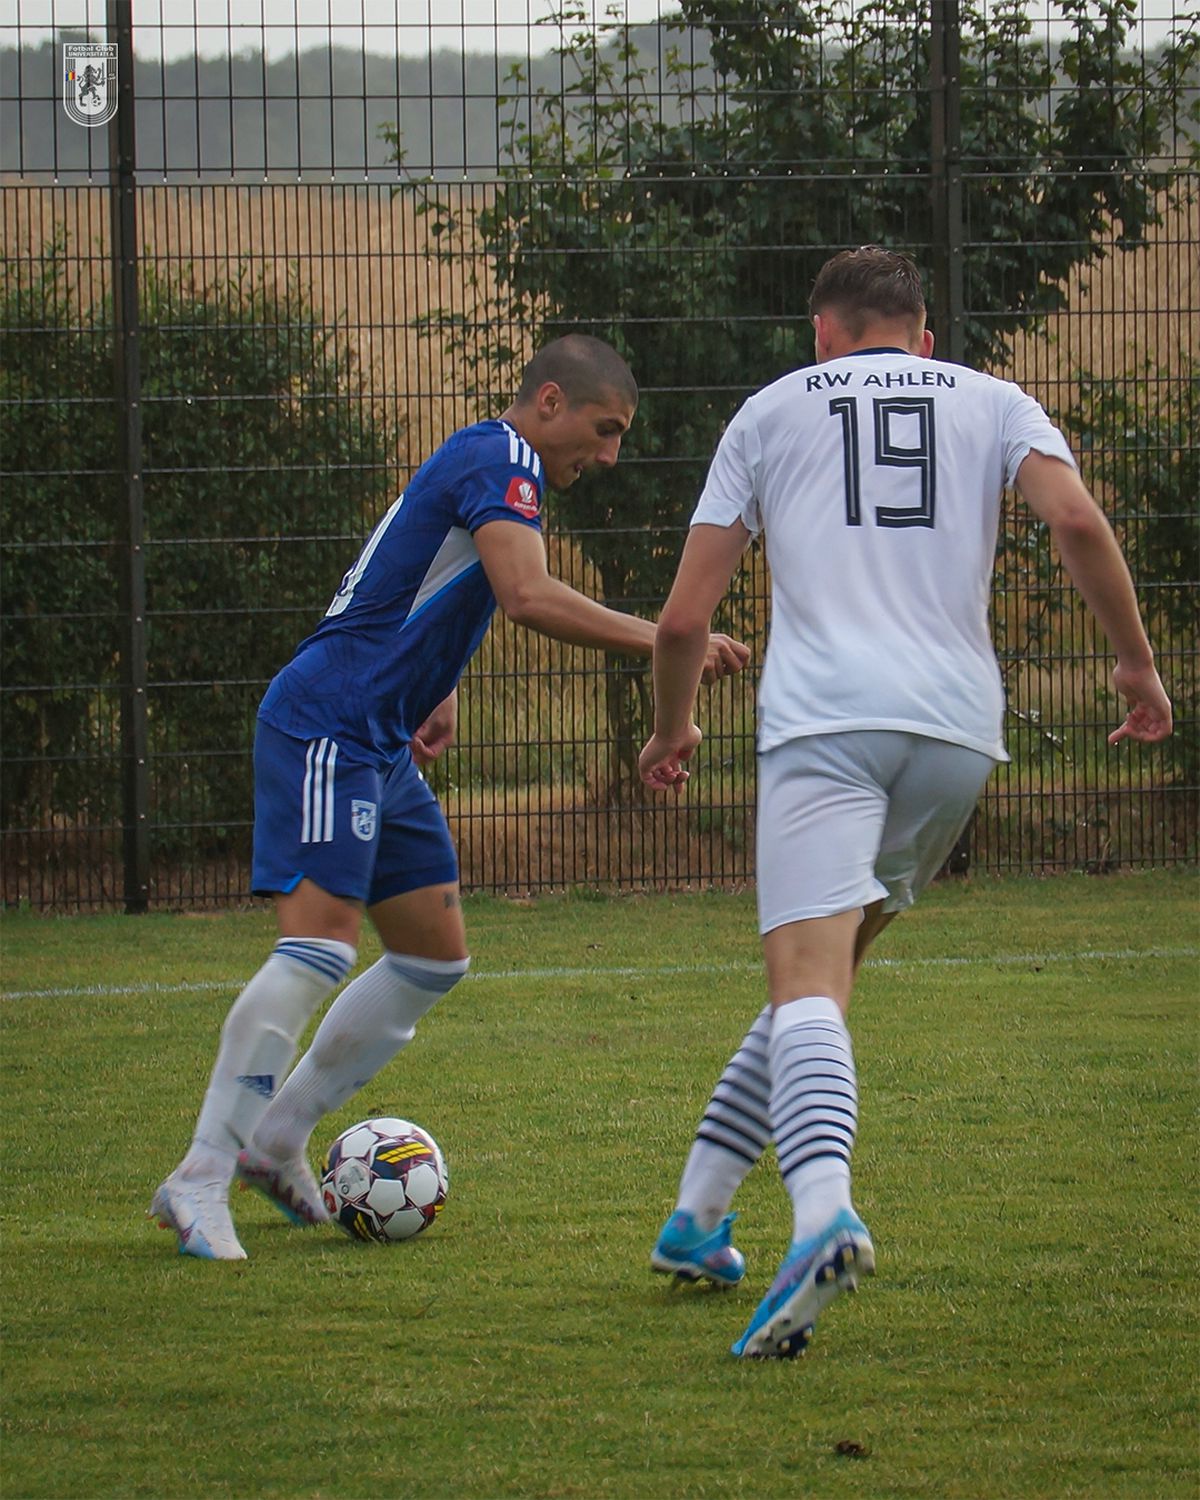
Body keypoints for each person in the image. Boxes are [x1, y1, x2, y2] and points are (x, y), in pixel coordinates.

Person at [637, 247, 1173, 1359]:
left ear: (820, 333)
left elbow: (687, 619)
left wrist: (673, 723)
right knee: (824, 979)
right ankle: (695, 1219)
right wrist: (1133, 664)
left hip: (827, 725)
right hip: (955, 733)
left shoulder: (772, 409)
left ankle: (822, 1214)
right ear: (922, 337)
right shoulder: (992, 398)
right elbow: (1076, 522)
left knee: (805, 982)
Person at [151, 333, 750, 1260]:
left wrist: (440, 685)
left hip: (380, 739)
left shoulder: (495, 463)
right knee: (315, 951)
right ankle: (198, 1175)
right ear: (550, 402)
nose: (610, 455)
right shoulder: (503, 453)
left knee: (432, 961)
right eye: (605, 430)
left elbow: (420, 572)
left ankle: (274, 1141)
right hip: (329, 726)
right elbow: (525, 594)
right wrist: (669, 637)